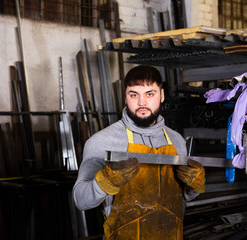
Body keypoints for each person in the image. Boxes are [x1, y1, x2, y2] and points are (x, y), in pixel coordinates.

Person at [73, 65, 205, 240]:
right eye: (134, 94)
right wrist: (104, 182)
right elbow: (80, 200)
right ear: (125, 98)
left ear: (162, 96)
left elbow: (182, 198)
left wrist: (193, 187)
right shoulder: (101, 142)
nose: (142, 102)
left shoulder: (177, 141)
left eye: (150, 94)